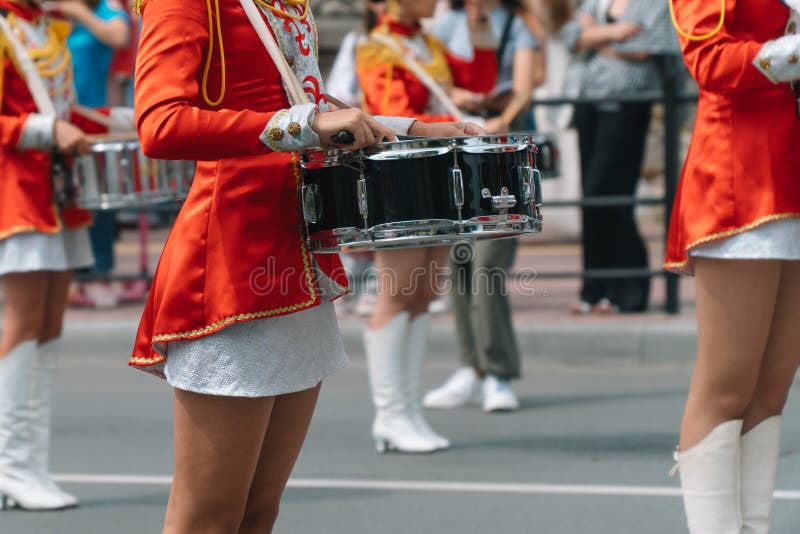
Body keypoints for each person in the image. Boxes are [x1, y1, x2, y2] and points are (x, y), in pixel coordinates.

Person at [130, 0, 481, 530]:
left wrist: (411, 128)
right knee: (208, 517)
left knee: (258, 508)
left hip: (297, 252)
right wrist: (306, 124)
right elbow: (160, 124)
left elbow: (303, 103)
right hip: (232, 257)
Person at [667, 1, 800, 532]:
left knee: (773, 383)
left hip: (791, 169)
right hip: (739, 174)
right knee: (726, 386)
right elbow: (710, 60)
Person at [355, 0, 497, 453]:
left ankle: (408, 411)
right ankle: (390, 415)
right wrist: (451, 123)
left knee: (421, 295)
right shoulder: (377, 46)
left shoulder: (425, 41)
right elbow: (389, 110)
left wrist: (479, 23)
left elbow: (479, 82)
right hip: (397, 175)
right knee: (396, 296)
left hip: (434, 172)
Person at [423, 0, 542, 414]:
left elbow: (525, 85)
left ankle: (498, 371)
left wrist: (502, 117)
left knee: (489, 261)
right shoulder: (447, 24)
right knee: (459, 260)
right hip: (456, 146)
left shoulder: (515, 24)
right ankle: (471, 365)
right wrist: (462, 98)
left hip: (499, 152)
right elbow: (436, 81)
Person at [0, 0, 96, 510]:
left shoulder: (45, 29)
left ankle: (30, 466)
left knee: (49, 326)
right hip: (14, 189)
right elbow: (35, 122)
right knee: (23, 324)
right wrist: (44, 131)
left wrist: (130, 120)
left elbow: (65, 111)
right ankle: (11, 468)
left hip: (55, 190)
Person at [561, 0, 675, 314]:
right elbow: (570, 36)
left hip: (628, 102)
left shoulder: (652, 3)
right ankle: (593, 290)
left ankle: (629, 289)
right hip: (589, 100)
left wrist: (594, 37)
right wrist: (613, 33)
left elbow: (645, 48)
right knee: (592, 198)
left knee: (611, 194)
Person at [58, 0, 130, 309]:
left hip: (95, 118)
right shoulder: (56, 15)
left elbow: (120, 38)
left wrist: (81, 14)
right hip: (60, 121)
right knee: (64, 198)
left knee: (100, 201)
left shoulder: (106, 12)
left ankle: (100, 273)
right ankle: (69, 276)